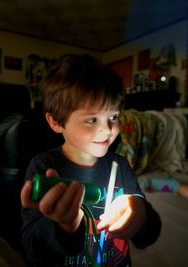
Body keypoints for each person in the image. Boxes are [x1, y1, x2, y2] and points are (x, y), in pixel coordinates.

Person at [20, 54, 161, 267]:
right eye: (92, 119)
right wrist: (64, 226)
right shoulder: (43, 167)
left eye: (113, 117)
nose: (107, 129)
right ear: (56, 122)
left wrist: (139, 214)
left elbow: (149, 234)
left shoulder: (120, 166)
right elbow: (32, 251)